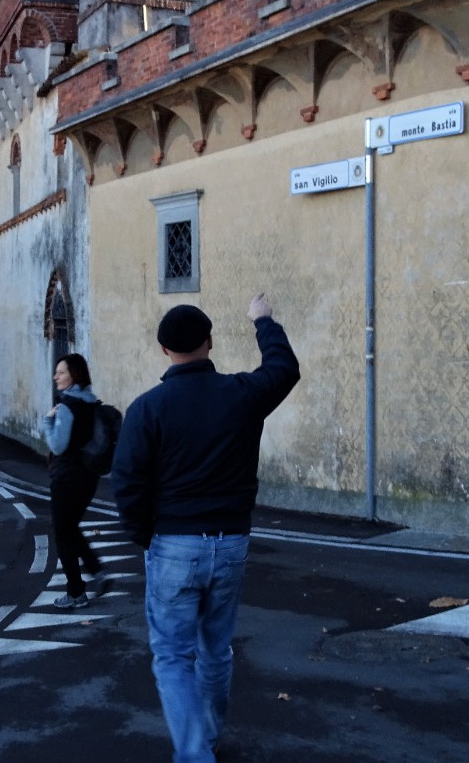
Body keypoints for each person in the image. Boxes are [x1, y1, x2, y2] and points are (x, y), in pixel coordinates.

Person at [110, 295, 300, 763]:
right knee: (215, 650)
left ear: (163, 351)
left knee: (173, 655)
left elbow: (128, 479)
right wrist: (263, 321)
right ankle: (210, 738)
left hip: (173, 542)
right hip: (231, 540)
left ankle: (195, 754)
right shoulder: (241, 394)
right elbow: (284, 367)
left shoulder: (147, 408)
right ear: (210, 343)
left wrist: (142, 533)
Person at [41, 352, 106, 609]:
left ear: (74, 375)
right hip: (88, 477)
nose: (56, 376)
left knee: (63, 533)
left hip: (66, 477)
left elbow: (58, 446)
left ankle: (76, 592)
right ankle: (96, 570)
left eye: (62, 372)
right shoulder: (91, 402)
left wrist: (48, 420)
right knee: (70, 527)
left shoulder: (67, 406)